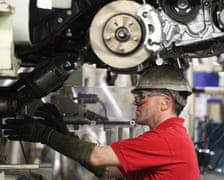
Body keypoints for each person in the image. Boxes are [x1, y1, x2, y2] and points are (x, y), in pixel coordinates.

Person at [3, 65, 201, 179]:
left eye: (142, 96)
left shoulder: (166, 139)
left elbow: (97, 157)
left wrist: (44, 135)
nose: (135, 102)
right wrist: (63, 135)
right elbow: (107, 170)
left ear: (165, 102)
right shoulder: (169, 137)